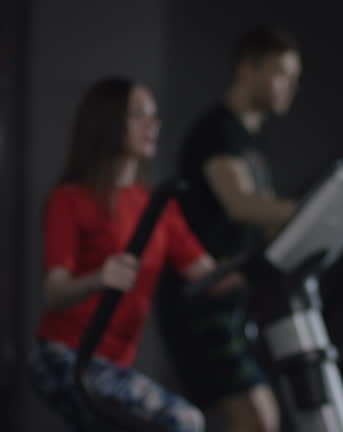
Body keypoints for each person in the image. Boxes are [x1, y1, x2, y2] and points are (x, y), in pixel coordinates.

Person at [28, 76, 242, 432]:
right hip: (64, 355)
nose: (151, 125)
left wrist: (273, 261)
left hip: (114, 363)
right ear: (108, 122)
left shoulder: (157, 206)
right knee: (184, 421)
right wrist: (99, 277)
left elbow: (210, 278)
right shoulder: (70, 198)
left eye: (154, 116)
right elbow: (54, 290)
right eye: (138, 114)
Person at [155, 24, 301, 432]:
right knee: (255, 417)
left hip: (233, 299)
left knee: (263, 417)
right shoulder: (218, 131)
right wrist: (318, 210)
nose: (290, 86)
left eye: (294, 78)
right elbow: (242, 206)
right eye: (281, 74)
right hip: (200, 299)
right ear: (247, 68)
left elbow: (267, 226)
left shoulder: (256, 142)